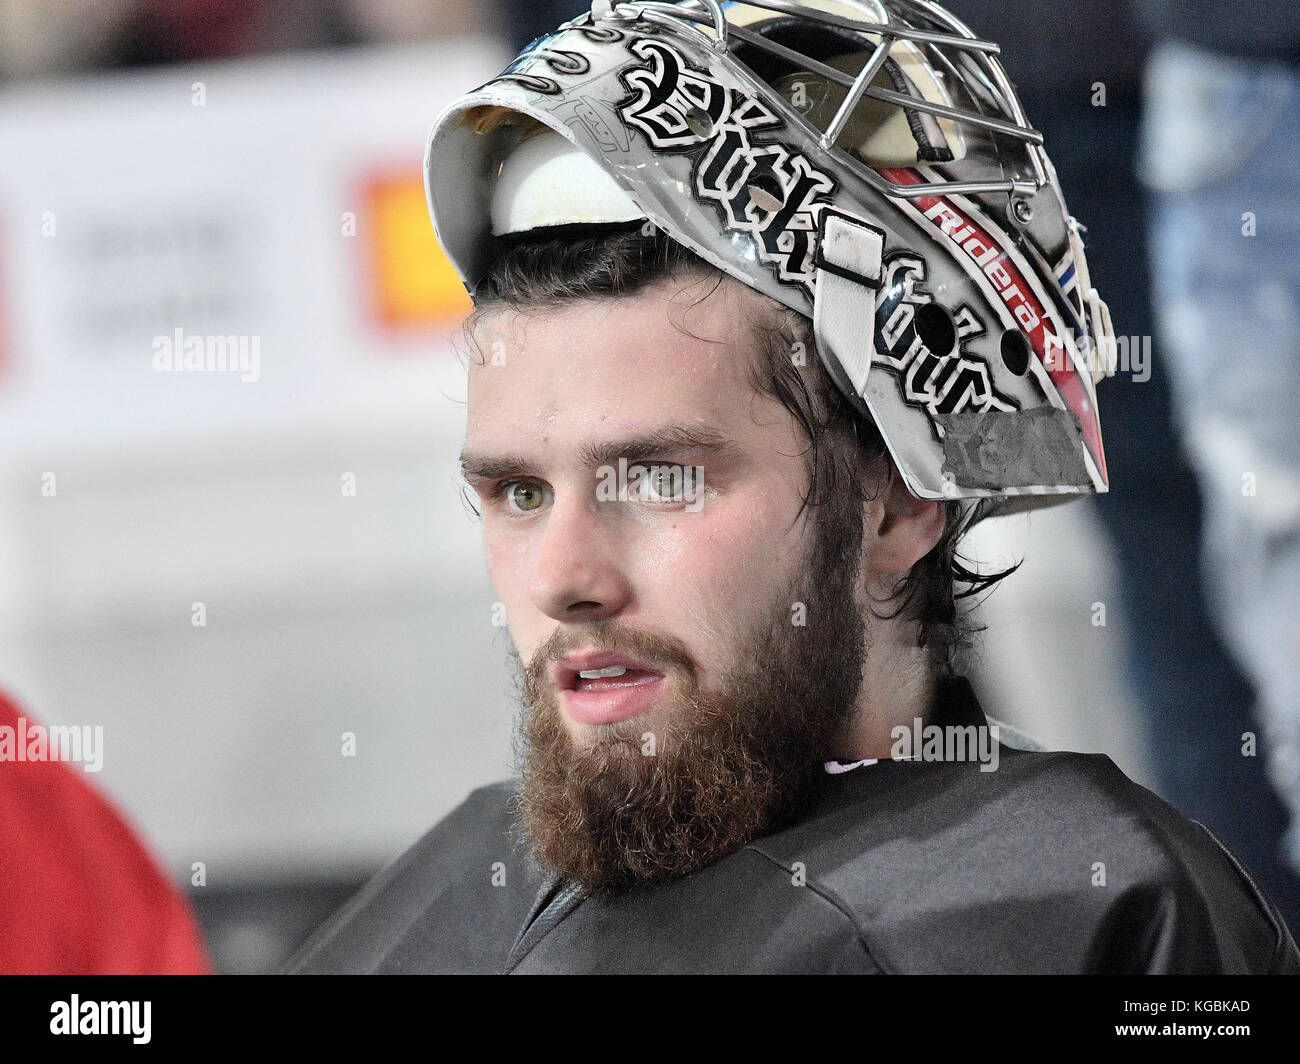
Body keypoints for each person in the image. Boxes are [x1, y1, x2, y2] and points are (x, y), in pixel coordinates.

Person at [285, 0, 1299, 973]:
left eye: (660, 477)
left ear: (898, 501)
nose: (562, 577)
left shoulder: (1095, 916)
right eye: (517, 493)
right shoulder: (432, 908)